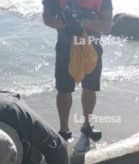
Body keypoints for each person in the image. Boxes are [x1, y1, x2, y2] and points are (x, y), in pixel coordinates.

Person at [42, 0, 113, 154]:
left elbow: (107, 25)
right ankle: (64, 131)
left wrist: (82, 22)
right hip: (65, 48)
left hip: (91, 49)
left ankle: (86, 127)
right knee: (64, 89)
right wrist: (61, 22)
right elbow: (47, 18)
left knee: (89, 88)